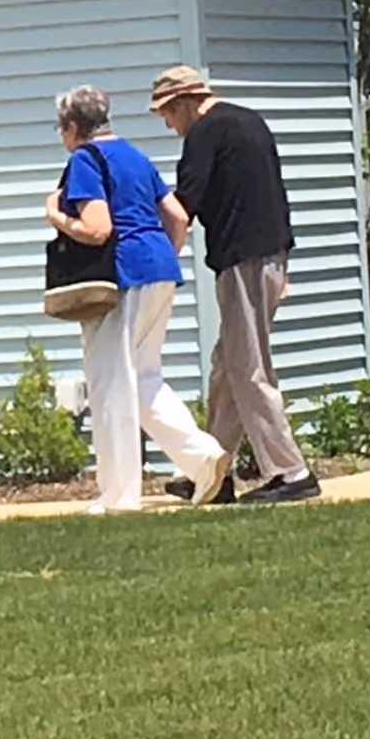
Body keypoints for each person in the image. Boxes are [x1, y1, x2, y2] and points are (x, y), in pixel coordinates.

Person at [44, 85, 231, 513]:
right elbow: (179, 216)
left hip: (121, 277)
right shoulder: (136, 156)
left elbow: (97, 228)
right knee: (144, 377)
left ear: (74, 127)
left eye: (62, 129)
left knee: (111, 385)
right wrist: (164, 254)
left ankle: (117, 496)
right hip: (160, 269)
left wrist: (56, 216)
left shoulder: (84, 160)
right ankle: (203, 458)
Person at [150, 64, 320, 505]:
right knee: (227, 367)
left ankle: (291, 472)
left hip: (243, 261)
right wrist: (281, 267)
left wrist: (161, 265)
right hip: (269, 258)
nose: (169, 125)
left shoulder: (205, 133)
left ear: (184, 102)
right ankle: (213, 472)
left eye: (167, 114)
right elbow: (274, 195)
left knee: (248, 368)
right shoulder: (250, 121)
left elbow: (181, 210)